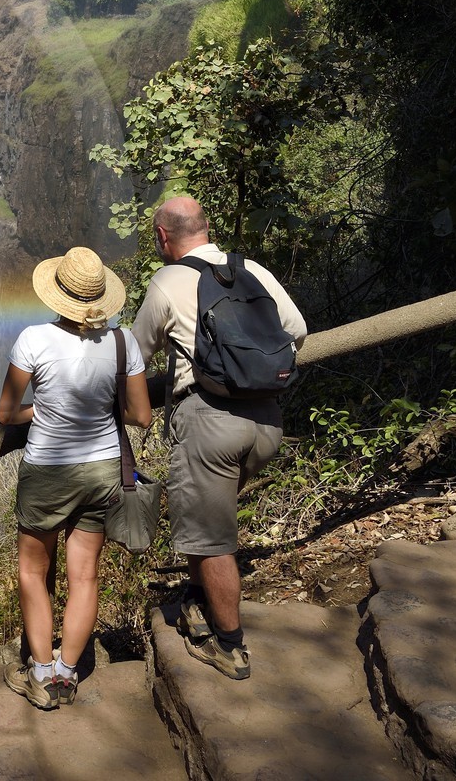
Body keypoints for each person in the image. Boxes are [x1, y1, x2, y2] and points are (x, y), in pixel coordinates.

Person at [131, 196, 307, 681]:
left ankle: (229, 647)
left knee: (210, 539)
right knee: (202, 519)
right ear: (206, 229)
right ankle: (200, 596)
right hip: (267, 424)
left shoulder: (167, 280)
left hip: (209, 421)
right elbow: (297, 330)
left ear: (164, 237)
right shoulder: (251, 269)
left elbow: (135, 357)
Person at [0, 246, 151, 710]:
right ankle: (68, 672)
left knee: (32, 570)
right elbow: (141, 415)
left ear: (57, 294)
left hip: (47, 468)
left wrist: (40, 410)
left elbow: (6, 413)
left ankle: (40, 672)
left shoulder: (33, 339)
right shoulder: (124, 342)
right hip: (103, 468)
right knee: (85, 575)